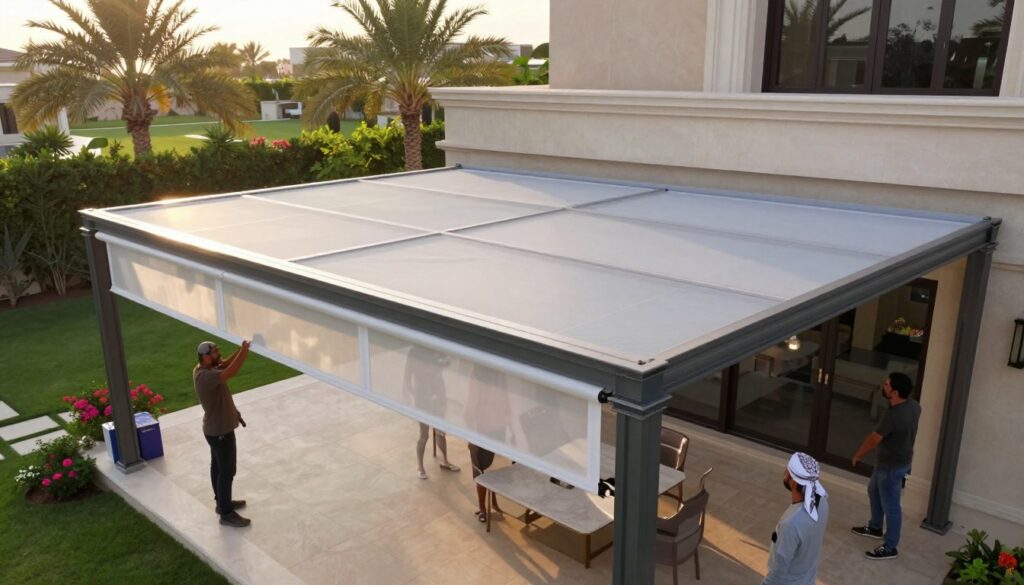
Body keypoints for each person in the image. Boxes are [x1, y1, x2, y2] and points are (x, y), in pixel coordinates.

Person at [851, 372, 921, 560]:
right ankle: (875, 527)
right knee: (873, 491)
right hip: (895, 462)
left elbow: (873, 440)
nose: (884, 385)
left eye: (887, 385)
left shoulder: (892, 415)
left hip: (890, 467)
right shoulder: (914, 406)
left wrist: (858, 455)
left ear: (895, 392)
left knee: (891, 506)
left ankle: (890, 546)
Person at [194, 340, 252, 528]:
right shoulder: (206, 376)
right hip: (220, 432)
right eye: (215, 352)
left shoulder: (205, 369)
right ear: (205, 357)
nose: (219, 354)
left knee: (218, 468)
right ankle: (226, 513)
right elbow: (232, 371)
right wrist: (244, 351)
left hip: (215, 430)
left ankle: (222, 503)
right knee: (227, 471)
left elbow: (226, 364)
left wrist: (242, 348)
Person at [763, 452, 830, 585]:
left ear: (793, 482)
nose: (784, 472)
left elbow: (779, 570)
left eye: (787, 471)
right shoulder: (823, 503)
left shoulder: (791, 524)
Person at [464, 364, 512, 523]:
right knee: (492, 468)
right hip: (499, 428)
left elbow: (471, 405)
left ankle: (483, 509)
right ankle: (493, 504)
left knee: (480, 472)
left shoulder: (477, 375)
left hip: (481, 431)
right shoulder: (501, 374)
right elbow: (507, 402)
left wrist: (468, 433)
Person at [403, 346, 460, 480]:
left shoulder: (436, 349)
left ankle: (445, 460)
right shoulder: (414, 352)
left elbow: (448, 362)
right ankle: (420, 466)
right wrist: (414, 394)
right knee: (424, 434)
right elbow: (407, 376)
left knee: (440, 430)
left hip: (437, 393)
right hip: (422, 396)